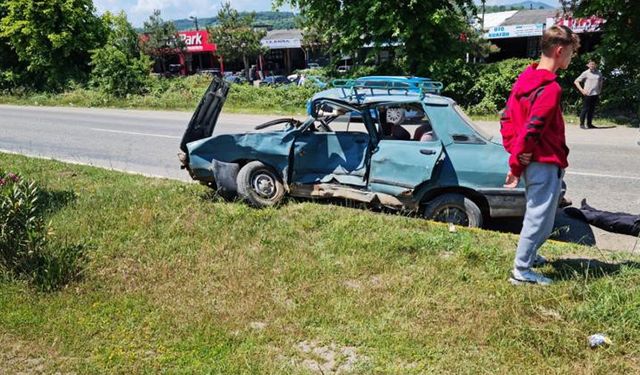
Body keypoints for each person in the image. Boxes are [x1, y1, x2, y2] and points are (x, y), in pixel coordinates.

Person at [501, 25, 580, 285]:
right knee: (539, 219)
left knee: (542, 217)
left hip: (535, 161)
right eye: (571, 52)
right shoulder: (550, 88)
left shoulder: (526, 78)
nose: (572, 58)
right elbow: (533, 128)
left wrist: (514, 151)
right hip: (544, 163)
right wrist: (515, 162)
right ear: (559, 51)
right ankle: (521, 271)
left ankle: (530, 257)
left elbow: (507, 118)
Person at [574, 60, 603, 129]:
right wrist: (582, 90)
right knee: (585, 109)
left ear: (595, 65)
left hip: (595, 94)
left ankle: (589, 124)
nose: (592, 66)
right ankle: (582, 124)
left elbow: (601, 81)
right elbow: (576, 81)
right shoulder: (585, 73)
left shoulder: (599, 73)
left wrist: (600, 89)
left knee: (592, 109)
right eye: (590, 64)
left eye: (593, 64)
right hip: (588, 94)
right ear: (588, 65)